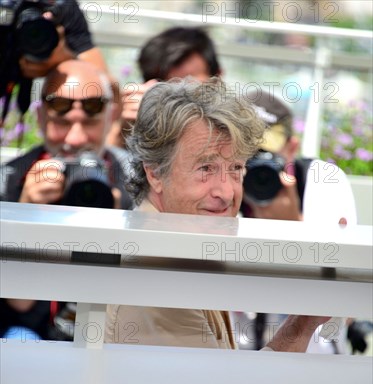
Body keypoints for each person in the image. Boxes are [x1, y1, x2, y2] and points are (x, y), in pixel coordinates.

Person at [105, 78, 329, 352]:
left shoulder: (183, 243)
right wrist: (302, 325)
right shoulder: (159, 279)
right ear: (155, 173)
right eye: (206, 168)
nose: (226, 191)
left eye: (235, 168)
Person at [0, 59, 133, 341]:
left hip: (116, 333)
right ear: (41, 119)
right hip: (33, 332)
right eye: (61, 122)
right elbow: (19, 304)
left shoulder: (135, 178)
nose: (74, 139)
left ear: (109, 117)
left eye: (90, 121)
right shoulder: (11, 180)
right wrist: (25, 215)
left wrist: (124, 222)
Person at [239, 90, 357, 352]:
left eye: (264, 152)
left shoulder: (321, 181)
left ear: (291, 148)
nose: (252, 168)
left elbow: (340, 313)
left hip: (313, 355)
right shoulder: (221, 188)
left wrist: (295, 226)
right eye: (245, 153)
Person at [106, 26, 221, 147]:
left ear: (217, 80)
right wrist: (123, 131)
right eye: (166, 89)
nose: (178, 100)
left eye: (188, 86)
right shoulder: (142, 125)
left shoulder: (234, 134)